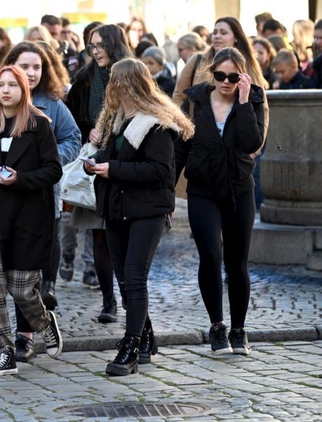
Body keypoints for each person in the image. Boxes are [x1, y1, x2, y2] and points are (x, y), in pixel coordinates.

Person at [0, 41, 81, 363]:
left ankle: (38, 325)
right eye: (19, 70)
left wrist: (43, 163)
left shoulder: (48, 110)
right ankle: (6, 350)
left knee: (22, 285)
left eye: (36, 68)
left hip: (34, 206)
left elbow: (68, 145)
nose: (29, 74)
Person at [85, 58, 194, 376]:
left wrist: (112, 169)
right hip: (116, 209)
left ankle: (130, 346)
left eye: (117, 81)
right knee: (124, 279)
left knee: (134, 277)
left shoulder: (156, 123)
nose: (112, 87)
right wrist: (95, 163)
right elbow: (109, 158)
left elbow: (161, 171)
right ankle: (146, 337)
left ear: (133, 84)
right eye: (112, 82)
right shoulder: (114, 120)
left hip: (148, 211)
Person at [0, 65, 63, 376]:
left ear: (24, 91)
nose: (6, 90)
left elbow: (53, 171)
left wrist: (19, 179)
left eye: (13, 85)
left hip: (29, 218)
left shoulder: (39, 126)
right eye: (1, 86)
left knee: (22, 289)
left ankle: (45, 322)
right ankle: (5, 352)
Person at [175, 47, 266, 356]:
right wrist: (165, 191)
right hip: (202, 190)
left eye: (232, 77)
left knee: (237, 263)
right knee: (211, 255)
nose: (225, 82)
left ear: (241, 76)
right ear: (211, 74)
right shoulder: (195, 101)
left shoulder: (252, 100)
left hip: (239, 189)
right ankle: (217, 326)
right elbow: (180, 149)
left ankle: (239, 330)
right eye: (219, 76)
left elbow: (251, 142)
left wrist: (242, 101)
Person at [65, 24, 133, 323]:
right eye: (91, 44)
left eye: (99, 44)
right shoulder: (83, 79)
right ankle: (109, 302)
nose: (94, 50)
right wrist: (87, 131)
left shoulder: (133, 75)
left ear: (113, 44)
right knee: (100, 237)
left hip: (127, 167)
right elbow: (71, 121)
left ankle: (132, 299)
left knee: (127, 239)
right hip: (94, 166)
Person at [173, 18, 268, 112]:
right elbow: (179, 96)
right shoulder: (197, 59)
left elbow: (261, 104)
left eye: (223, 33)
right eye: (215, 32)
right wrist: (185, 122)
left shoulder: (249, 64)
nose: (217, 36)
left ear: (236, 38)